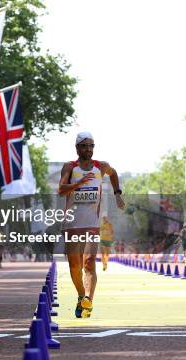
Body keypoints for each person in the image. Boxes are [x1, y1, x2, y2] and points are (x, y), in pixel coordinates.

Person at [58, 131, 125, 318]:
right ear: (77, 148)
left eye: (91, 146)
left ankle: (88, 300)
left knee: (88, 263)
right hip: (72, 223)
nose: (89, 149)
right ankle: (80, 295)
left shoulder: (101, 167)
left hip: (91, 223)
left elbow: (114, 174)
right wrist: (78, 184)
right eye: (85, 146)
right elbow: (61, 190)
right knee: (74, 266)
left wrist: (117, 193)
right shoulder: (69, 167)